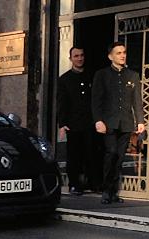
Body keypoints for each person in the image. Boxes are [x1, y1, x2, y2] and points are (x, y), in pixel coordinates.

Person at [91, 41, 145, 204]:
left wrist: (140, 121)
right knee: (111, 153)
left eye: (124, 52)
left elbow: (137, 100)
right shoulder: (102, 74)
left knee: (120, 157)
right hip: (109, 122)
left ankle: (114, 192)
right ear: (110, 56)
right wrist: (98, 120)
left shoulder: (132, 75)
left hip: (126, 122)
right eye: (118, 53)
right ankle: (106, 190)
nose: (122, 55)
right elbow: (96, 100)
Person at [57, 46, 95, 195]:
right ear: (70, 58)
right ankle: (74, 184)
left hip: (90, 122)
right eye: (76, 56)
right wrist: (62, 123)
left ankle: (91, 182)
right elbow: (62, 103)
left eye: (82, 55)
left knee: (91, 152)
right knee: (74, 155)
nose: (79, 58)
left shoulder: (92, 76)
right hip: (73, 124)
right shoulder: (65, 79)